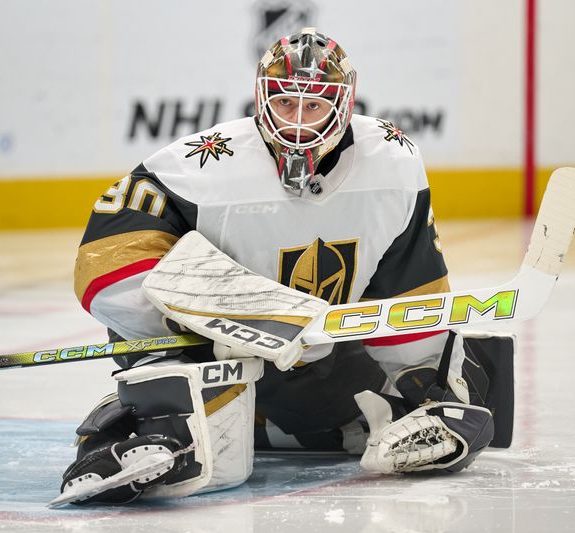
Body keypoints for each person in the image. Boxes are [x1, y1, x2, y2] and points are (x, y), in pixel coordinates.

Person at [56, 28, 510, 507]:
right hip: (209, 354)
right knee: (213, 465)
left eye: (313, 106)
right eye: (285, 103)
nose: (297, 121)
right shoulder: (202, 165)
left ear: (344, 104)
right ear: (261, 99)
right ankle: (135, 423)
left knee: (431, 412)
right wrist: (211, 314)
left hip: (318, 356)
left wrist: (426, 388)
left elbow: (409, 284)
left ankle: (184, 421)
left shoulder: (393, 162)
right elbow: (105, 262)